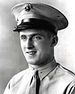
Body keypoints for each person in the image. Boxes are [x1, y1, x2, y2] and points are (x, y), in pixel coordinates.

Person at [3, 2, 75, 94]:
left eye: (36, 37)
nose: (28, 45)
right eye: (23, 38)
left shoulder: (70, 85)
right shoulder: (14, 84)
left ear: (54, 41)